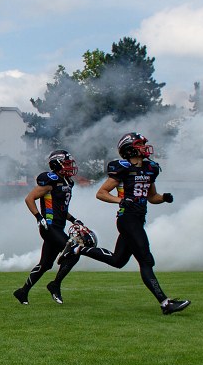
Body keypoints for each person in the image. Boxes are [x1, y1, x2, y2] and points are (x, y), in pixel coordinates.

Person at [71, 132, 190, 315]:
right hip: (127, 219)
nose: (144, 147)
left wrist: (164, 198)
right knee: (146, 259)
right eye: (140, 144)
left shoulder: (150, 168)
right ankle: (165, 303)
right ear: (130, 148)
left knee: (117, 261)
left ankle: (79, 249)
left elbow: (152, 197)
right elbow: (101, 193)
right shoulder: (123, 168)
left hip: (138, 218)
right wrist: (120, 200)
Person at [13, 150, 86, 305]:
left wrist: (74, 219)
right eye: (66, 164)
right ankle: (55, 284)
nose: (69, 167)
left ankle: (22, 292)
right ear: (56, 164)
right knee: (74, 253)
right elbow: (29, 199)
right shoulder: (50, 180)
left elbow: (61, 208)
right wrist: (39, 217)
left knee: (45, 264)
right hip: (49, 226)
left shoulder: (68, 182)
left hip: (59, 226)